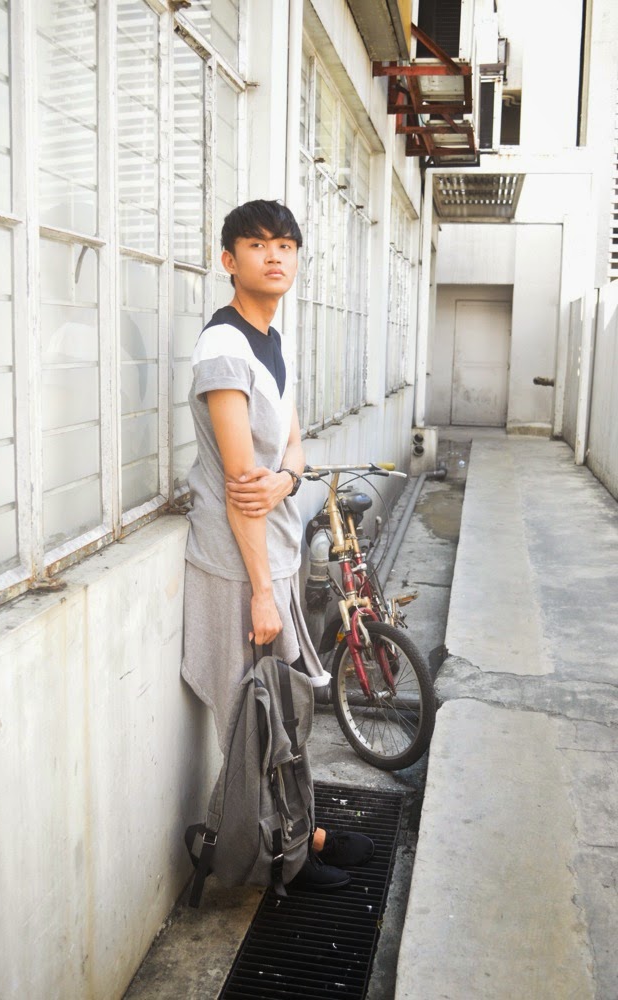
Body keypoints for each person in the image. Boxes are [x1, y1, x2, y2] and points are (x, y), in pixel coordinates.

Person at [181, 200, 373, 888]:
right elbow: (242, 487)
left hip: (275, 555)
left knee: (284, 711)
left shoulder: (271, 340)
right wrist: (263, 591)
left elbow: (292, 447)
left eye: (286, 245)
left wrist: (290, 479)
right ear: (228, 260)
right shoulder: (224, 348)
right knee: (253, 723)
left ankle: (302, 833)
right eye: (257, 244)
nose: (274, 256)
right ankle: (272, 859)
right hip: (239, 567)